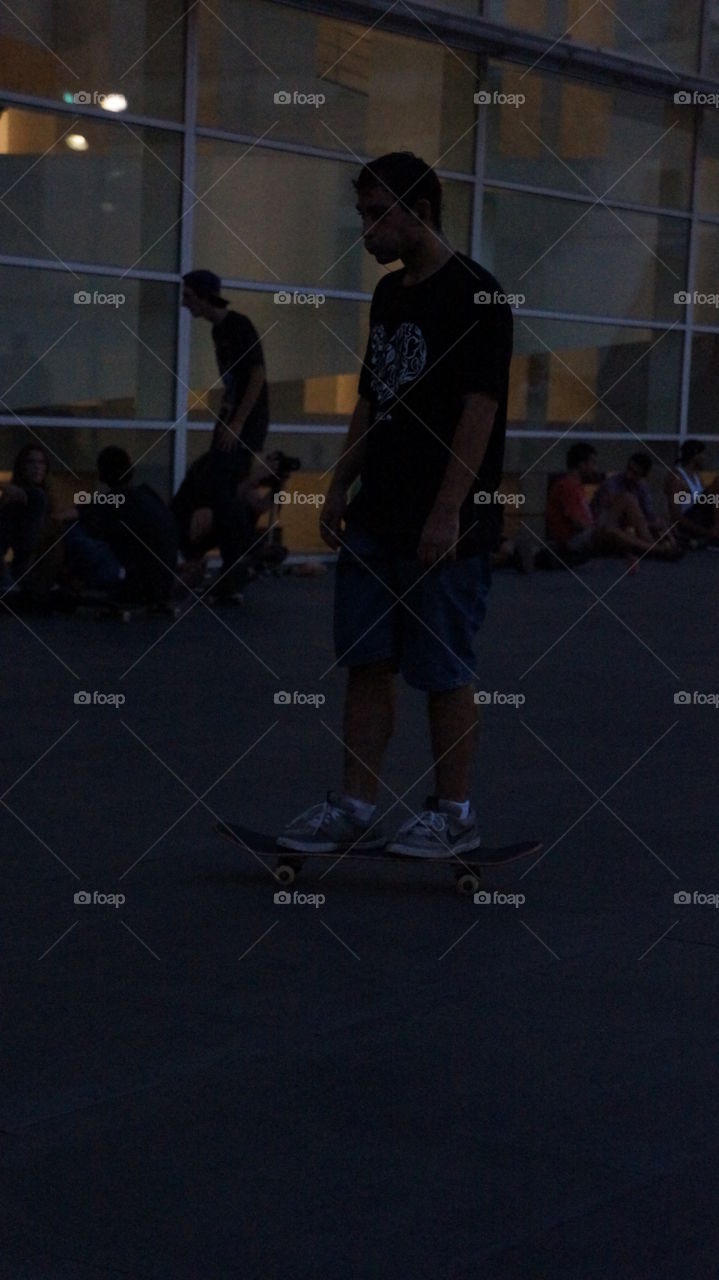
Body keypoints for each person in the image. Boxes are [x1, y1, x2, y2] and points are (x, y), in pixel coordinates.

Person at [277, 151, 513, 858]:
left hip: (441, 521)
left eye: (378, 213)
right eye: (362, 213)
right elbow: (374, 396)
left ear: (420, 211)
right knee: (366, 661)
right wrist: (341, 479)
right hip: (378, 514)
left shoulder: (477, 295)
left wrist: (448, 510)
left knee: (442, 668)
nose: (367, 229)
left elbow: (478, 413)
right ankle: (355, 803)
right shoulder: (389, 296)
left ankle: (453, 813)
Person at [173, 270, 270, 599]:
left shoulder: (238, 325)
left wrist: (239, 422)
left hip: (245, 421)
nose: (185, 304)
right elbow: (235, 381)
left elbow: (256, 375)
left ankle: (239, 561)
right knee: (214, 486)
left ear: (202, 295)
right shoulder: (219, 331)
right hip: (232, 419)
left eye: (188, 296)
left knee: (220, 485)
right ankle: (230, 557)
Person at [66, 447, 179, 605]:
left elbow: (66, 515)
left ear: (102, 475)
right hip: (163, 585)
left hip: (136, 586)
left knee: (72, 531)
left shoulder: (115, 500)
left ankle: (59, 585)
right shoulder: (149, 495)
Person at [546, 443, 680, 562]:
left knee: (628, 499)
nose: (595, 468)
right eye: (592, 463)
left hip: (589, 531)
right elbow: (579, 524)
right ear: (582, 465)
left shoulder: (577, 486)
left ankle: (653, 545)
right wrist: (602, 528)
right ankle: (658, 550)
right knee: (611, 528)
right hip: (572, 541)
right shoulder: (567, 486)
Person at [591, 451, 678, 551]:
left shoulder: (641, 486)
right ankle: (656, 548)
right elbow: (605, 515)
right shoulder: (612, 484)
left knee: (659, 522)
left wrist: (656, 522)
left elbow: (648, 513)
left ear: (642, 476)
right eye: (629, 469)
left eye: (635, 473)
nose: (629, 475)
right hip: (607, 525)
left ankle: (669, 544)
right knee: (628, 499)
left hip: (632, 524)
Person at [0, 444, 50, 594]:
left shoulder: (44, 496)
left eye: (41, 462)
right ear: (22, 466)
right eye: (31, 462)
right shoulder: (25, 497)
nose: (36, 467)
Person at [663, 439, 719, 546]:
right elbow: (676, 515)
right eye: (702, 454)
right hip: (689, 520)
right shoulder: (677, 478)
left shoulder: (697, 475)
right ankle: (716, 530)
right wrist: (705, 532)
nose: (704, 458)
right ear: (695, 455)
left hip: (701, 516)